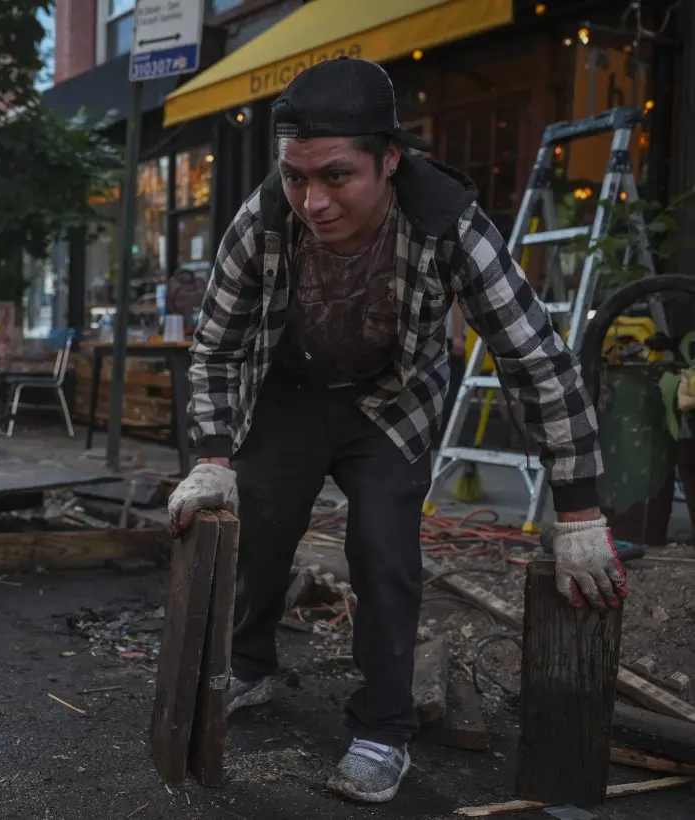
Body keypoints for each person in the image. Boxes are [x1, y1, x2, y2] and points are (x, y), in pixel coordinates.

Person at [167, 58, 626, 805]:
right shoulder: (264, 218)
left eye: (336, 177)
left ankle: (383, 727)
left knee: (384, 551)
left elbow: (534, 358)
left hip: (392, 403)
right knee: (262, 532)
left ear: (389, 159)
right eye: (295, 177)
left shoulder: (451, 224)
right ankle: (248, 665)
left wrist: (579, 510)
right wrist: (214, 454)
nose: (312, 201)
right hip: (289, 391)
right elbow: (216, 345)